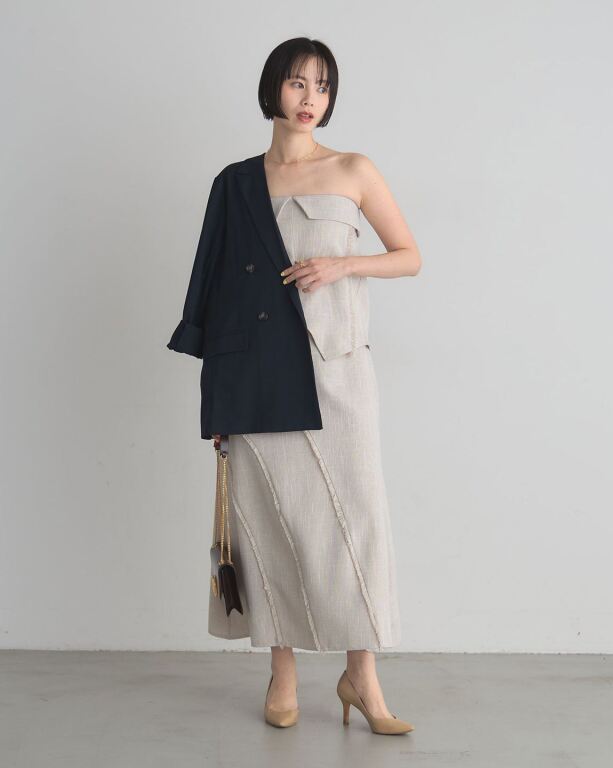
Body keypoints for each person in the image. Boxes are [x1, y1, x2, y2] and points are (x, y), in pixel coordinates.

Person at [172, 37, 421, 734]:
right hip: (257, 374)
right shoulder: (234, 184)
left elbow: (409, 256)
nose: (311, 99)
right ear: (272, 89)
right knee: (269, 525)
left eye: (323, 86)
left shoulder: (353, 169)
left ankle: (361, 676)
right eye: (297, 83)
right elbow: (213, 293)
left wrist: (343, 267)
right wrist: (217, 401)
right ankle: (281, 673)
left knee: (358, 525)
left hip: (339, 371)